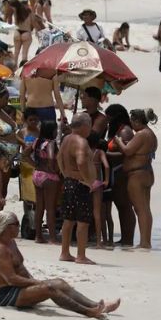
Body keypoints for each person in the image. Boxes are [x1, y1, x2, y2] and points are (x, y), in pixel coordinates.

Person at [0, 211, 120, 316]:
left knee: (59, 283)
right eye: (16, 224)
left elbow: (21, 269)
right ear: (7, 227)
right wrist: (38, 283)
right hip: (4, 295)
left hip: (17, 287)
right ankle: (87, 311)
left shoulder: (11, 242)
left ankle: (95, 304)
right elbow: (11, 279)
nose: (19, 227)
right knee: (48, 288)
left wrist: (33, 281)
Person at [112, 109, 157, 249]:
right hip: (146, 172)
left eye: (132, 121)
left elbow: (127, 151)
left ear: (137, 121)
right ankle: (146, 241)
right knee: (145, 208)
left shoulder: (142, 134)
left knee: (140, 209)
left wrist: (118, 141)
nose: (130, 124)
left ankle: (145, 242)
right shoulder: (151, 134)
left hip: (137, 175)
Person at [57, 113, 97, 264]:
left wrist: (65, 172)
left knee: (68, 219)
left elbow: (59, 157)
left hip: (68, 182)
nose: (90, 129)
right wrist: (88, 180)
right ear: (84, 126)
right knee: (82, 221)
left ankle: (65, 252)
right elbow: (80, 161)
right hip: (80, 185)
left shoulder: (66, 139)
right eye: (89, 125)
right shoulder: (81, 142)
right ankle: (81, 255)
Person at [105, 104, 136, 246]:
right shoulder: (117, 130)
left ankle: (128, 238)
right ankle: (125, 238)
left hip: (122, 171)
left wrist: (105, 155)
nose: (107, 120)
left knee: (125, 206)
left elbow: (127, 154)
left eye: (109, 117)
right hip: (114, 171)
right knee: (120, 205)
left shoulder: (125, 132)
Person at [29, 120, 60, 244]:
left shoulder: (37, 141)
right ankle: (52, 238)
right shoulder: (51, 143)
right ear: (52, 131)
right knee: (50, 208)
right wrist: (53, 169)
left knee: (39, 207)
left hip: (37, 174)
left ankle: (38, 236)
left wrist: (35, 164)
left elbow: (25, 154)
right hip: (49, 176)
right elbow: (52, 157)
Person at [87, 133, 110, 248]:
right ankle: (98, 242)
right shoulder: (100, 152)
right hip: (97, 183)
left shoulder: (85, 151)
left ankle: (83, 239)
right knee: (97, 213)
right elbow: (106, 166)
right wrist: (106, 180)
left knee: (85, 211)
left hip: (86, 183)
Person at [11, 0, 43, 65]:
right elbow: (34, 23)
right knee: (24, 54)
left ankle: (13, 69)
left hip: (17, 32)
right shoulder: (29, 12)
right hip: (26, 33)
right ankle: (21, 70)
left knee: (16, 53)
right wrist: (39, 31)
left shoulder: (16, 12)